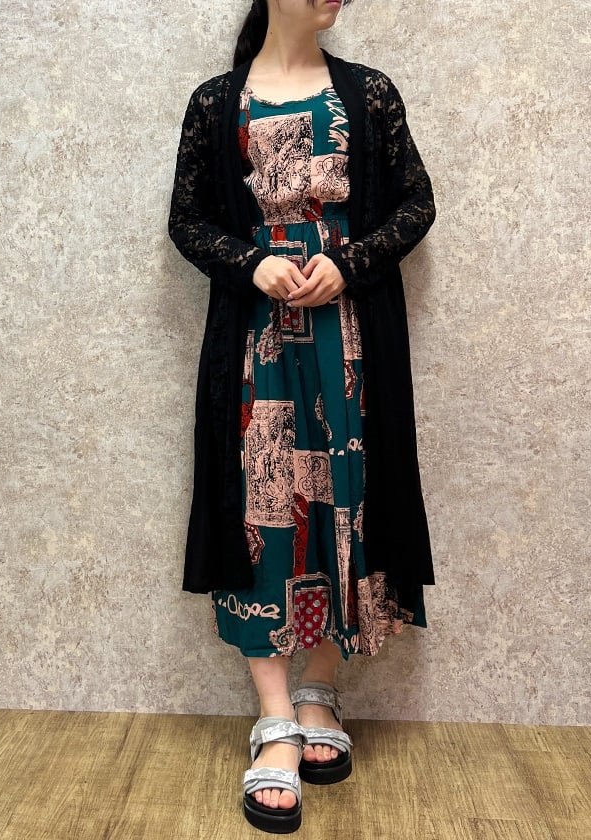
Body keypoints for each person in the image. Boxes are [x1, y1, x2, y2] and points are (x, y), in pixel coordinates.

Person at [168, 0, 436, 833]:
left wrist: (348, 262)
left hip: (350, 346)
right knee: (264, 516)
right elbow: (186, 221)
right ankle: (276, 716)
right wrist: (252, 263)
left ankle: (320, 690)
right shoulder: (218, 103)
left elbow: (416, 205)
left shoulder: (369, 94)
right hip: (257, 349)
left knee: (343, 505)